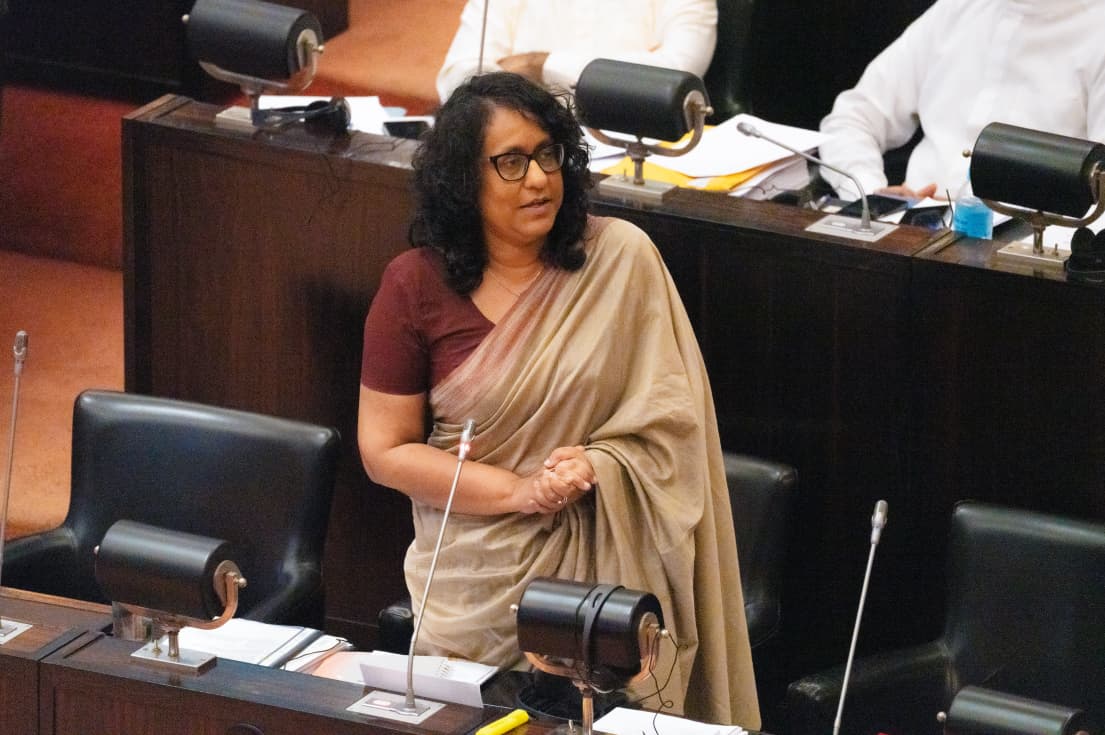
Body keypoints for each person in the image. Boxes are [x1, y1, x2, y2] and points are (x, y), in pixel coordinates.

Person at [357, 72, 759, 727]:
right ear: (463, 179)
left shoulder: (621, 260)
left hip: (605, 584)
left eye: (549, 155)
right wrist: (520, 492)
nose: (540, 179)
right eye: (511, 162)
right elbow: (384, 450)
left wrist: (599, 465)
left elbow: (675, 429)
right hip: (472, 588)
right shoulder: (414, 285)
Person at [817, 0, 1105, 201]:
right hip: (907, 237)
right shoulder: (955, 10)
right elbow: (851, 119)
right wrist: (871, 196)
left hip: (1027, 253)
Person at [435, 0, 717, 103]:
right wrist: (622, 72)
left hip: (631, 153)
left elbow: (676, 76)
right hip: (524, 144)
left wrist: (541, 66)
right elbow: (459, 77)